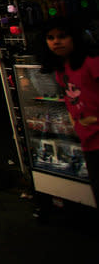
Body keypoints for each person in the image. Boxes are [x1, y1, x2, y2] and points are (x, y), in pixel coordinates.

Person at [40, 17, 99, 203]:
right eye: (50, 37)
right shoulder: (61, 69)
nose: (56, 41)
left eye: (62, 36)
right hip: (88, 140)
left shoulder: (92, 62)